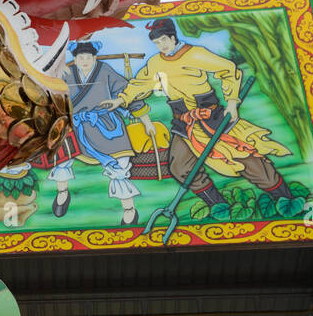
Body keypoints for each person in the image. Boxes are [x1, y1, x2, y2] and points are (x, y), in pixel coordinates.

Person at [101, 18, 296, 213]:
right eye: (156, 43)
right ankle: (220, 207)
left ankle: (287, 200)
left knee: (243, 158)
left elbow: (229, 70)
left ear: (172, 37)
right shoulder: (155, 62)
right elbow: (140, 84)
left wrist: (232, 102)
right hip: (183, 123)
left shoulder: (196, 54)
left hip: (211, 118)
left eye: (163, 41)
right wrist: (120, 100)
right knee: (180, 167)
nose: (161, 46)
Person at [33, 41, 153, 225]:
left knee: (120, 165)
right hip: (76, 125)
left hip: (106, 125)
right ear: (76, 58)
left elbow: (127, 93)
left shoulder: (105, 71)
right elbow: (51, 98)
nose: (85, 61)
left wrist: (146, 121)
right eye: (81, 57)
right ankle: (62, 193)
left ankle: (129, 208)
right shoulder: (67, 73)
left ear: (95, 57)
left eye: (89, 57)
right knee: (61, 155)